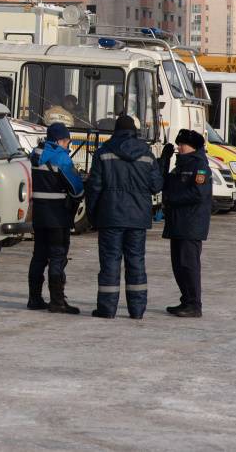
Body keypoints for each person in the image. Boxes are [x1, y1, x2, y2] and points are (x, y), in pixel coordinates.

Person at [86, 115, 163, 319]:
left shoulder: (104, 152)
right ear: (135, 131)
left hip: (110, 216)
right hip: (138, 218)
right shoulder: (146, 154)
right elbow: (156, 185)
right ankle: (137, 310)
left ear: (115, 130)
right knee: (136, 261)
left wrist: (92, 214)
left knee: (110, 262)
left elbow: (94, 187)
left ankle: (107, 309)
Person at [27, 122, 84, 315]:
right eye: (67, 140)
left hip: (39, 215)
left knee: (38, 257)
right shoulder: (61, 158)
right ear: (60, 140)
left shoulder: (34, 156)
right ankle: (57, 301)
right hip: (58, 216)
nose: (68, 144)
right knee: (57, 257)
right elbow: (76, 189)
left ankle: (34, 299)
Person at [162, 129, 211, 318]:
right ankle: (186, 300)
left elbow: (198, 193)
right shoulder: (180, 165)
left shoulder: (199, 166)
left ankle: (194, 304)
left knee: (189, 265)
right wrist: (164, 161)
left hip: (191, 224)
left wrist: (172, 198)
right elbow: (164, 184)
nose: (178, 147)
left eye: (182, 144)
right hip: (178, 223)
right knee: (178, 265)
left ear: (192, 147)